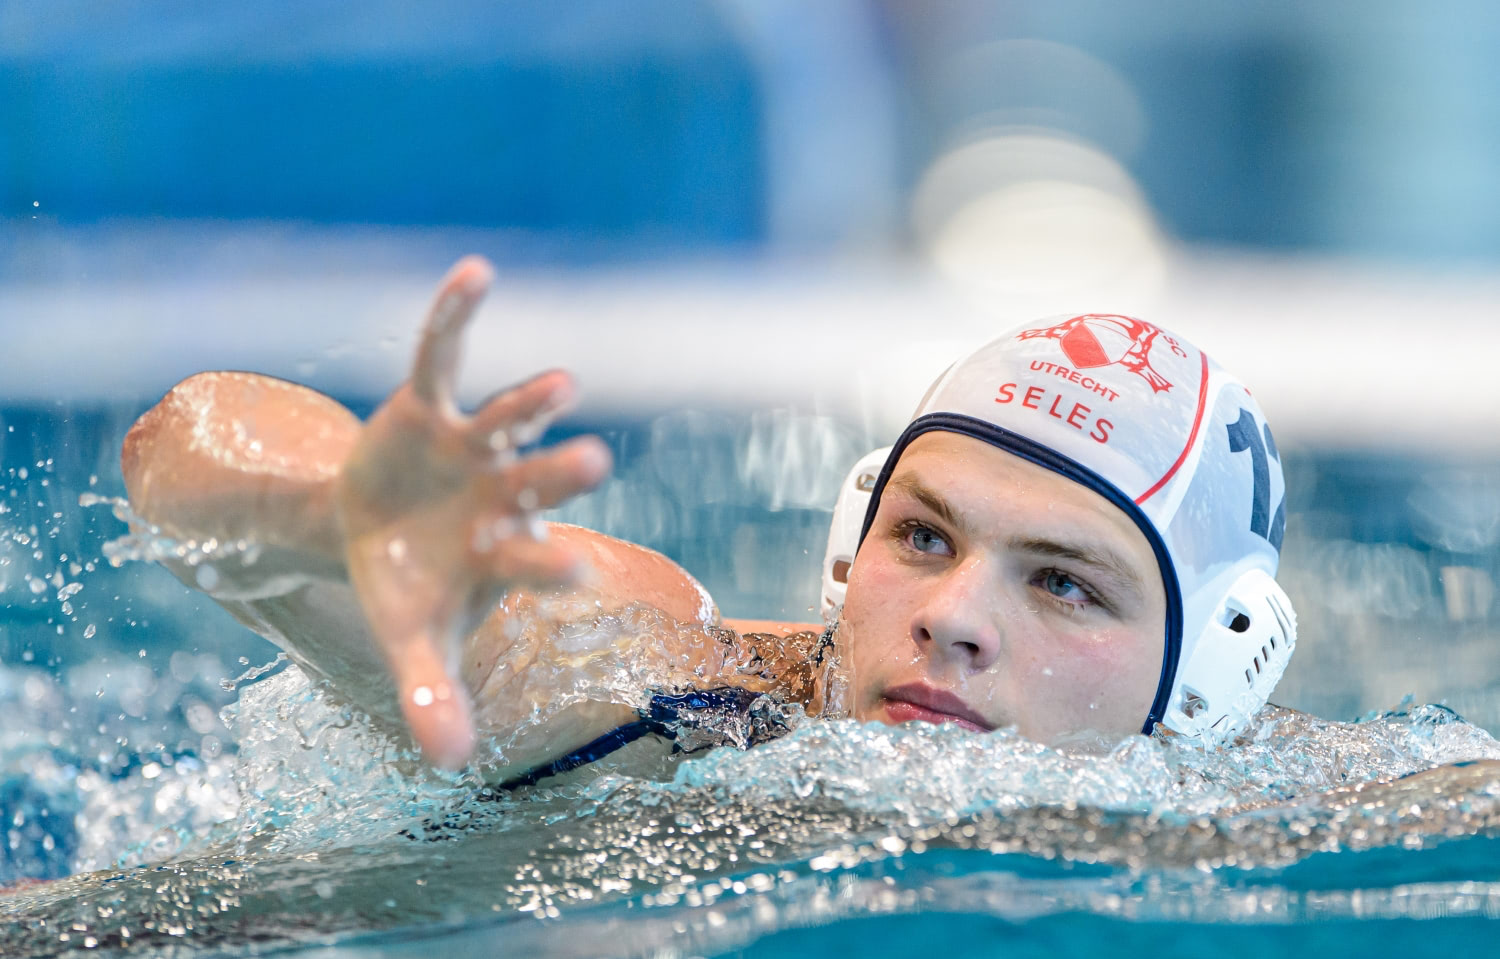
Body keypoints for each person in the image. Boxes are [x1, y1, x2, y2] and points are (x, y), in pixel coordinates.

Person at [121, 256, 1297, 785]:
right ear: (851, 548)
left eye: (1064, 583)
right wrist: (348, 517)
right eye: (924, 537)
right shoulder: (662, 692)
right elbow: (185, 442)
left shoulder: (1276, 816)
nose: (952, 617)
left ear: (1211, 672)